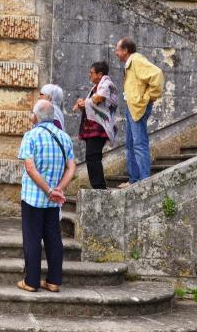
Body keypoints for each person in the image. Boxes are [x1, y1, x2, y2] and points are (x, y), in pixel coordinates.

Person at [16, 99, 77, 293]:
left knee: (32, 239)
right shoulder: (64, 137)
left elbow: (30, 167)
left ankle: (31, 281)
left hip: (34, 198)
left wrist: (48, 190)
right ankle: (53, 281)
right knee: (53, 239)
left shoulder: (31, 136)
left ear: (35, 116)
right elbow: (72, 167)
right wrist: (59, 189)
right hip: (54, 202)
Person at [114, 37, 164, 187]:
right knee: (130, 144)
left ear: (125, 50)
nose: (116, 52)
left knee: (139, 143)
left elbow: (157, 74)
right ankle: (134, 179)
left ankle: (144, 180)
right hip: (133, 107)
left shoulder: (136, 60)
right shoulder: (131, 63)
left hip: (138, 106)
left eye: (118, 49)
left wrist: (149, 97)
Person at [71, 61, 118, 190]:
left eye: (91, 73)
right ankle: (98, 186)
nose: (89, 75)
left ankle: (99, 187)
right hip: (93, 128)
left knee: (92, 156)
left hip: (99, 127)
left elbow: (98, 99)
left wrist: (84, 103)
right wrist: (83, 104)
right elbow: (92, 104)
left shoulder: (106, 84)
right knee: (92, 156)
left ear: (100, 74)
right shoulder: (96, 87)